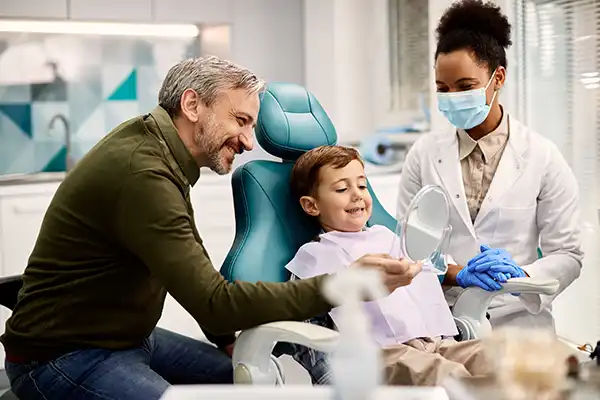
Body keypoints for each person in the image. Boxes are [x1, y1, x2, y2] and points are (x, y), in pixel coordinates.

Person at [0, 56, 420, 400]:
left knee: (250, 386)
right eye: (240, 120)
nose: (249, 141)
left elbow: (194, 266)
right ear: (192, 105)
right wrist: (348, 283)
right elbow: (214, 301)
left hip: (129, 337)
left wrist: (228, 342)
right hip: (63, 357)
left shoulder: (159, 150)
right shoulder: (143, 173)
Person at [398, 0, 584, 330]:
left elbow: (567, 253)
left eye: (465, 87)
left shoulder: (543, 156)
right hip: (442, 321)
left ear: (497, 78)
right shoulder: (424, 154)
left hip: (516, 320)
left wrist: (520, 274)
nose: (452, 96)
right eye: (443, 89)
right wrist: (458, 274)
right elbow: (408, 248)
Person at [283, 145, 492, 386]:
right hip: (380, 356)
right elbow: (309, 335)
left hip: (438, 344)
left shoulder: (387, 237)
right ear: (311, 206)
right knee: (449, 377)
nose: (357, 194)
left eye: (362, 185)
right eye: (342, 188)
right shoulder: (314, 257)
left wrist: (461, 273)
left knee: (500, 360)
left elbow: (425, 274)